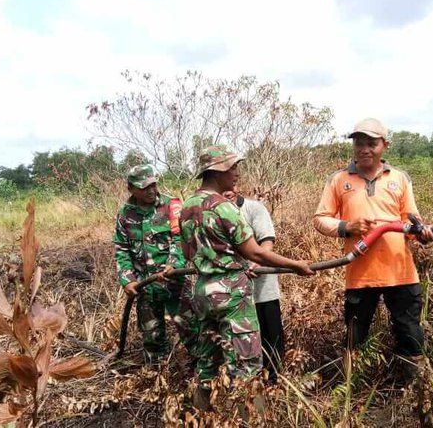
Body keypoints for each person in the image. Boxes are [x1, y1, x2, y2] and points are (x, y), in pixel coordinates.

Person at [312, 117, 433, 378]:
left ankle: (415, 390)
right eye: (359, 143)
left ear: (385, 145)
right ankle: (350, 390)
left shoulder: (400, 179)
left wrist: (423, 233)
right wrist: (347, 226)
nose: (364, 149)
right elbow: (320, 219)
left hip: (401, 273)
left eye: (371, 144)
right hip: (360, 274)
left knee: (410, 334)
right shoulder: (338, 180)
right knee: (355, 336)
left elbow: (410, 220)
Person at [179, 145, 314, 391]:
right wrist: (296, 265)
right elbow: (255, 252)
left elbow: (187, 252)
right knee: (246, 366)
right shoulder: (224, 207)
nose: (237, 173)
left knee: (208, 363)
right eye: (232, 168)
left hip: (202, 293)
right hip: (231, 295)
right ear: (217, 172)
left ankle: (203, 409)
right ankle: (248, 410)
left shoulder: (187, 206)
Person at [113, 164, 187, 365]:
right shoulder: (125, 215)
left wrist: (173, 265)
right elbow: (122, 250)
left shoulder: (171, 206)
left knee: (192, 331)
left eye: (153, 185)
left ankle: (198, 374)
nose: (151, 190)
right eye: (144, 187)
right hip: (145, 288)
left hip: (175, 284)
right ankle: (159, 373)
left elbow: (180, 239)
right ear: (131, 189)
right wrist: (127, 280)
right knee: (153, 340)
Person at [222, 188, 285, 384]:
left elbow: (267, 241)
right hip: (232, 290)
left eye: (230, 187)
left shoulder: (254, 209)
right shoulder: (215, 213)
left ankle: (275, 380)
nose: (227, 192)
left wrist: (257, 261)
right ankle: (247, 383)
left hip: (262, 286)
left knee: (270, 334)